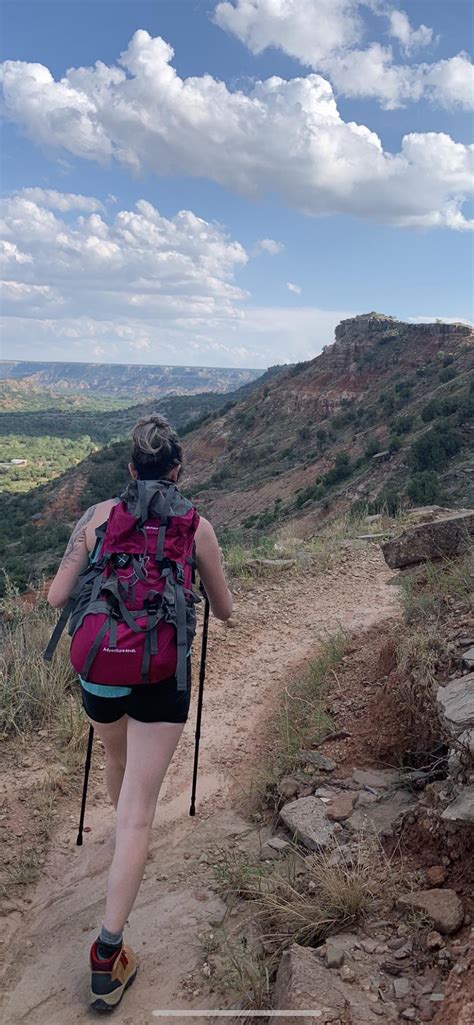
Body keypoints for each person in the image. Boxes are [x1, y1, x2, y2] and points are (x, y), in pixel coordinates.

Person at [48, 414, 232, 1012]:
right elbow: (225, 611)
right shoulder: (196, 526)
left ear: (130, 468)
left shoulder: (97, 517)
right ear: (177, 470)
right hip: (161, 672)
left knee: (114, 753)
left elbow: (54, 598)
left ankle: (115, 844)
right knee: (140, 810)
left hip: (101, 667)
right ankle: (107, 952)